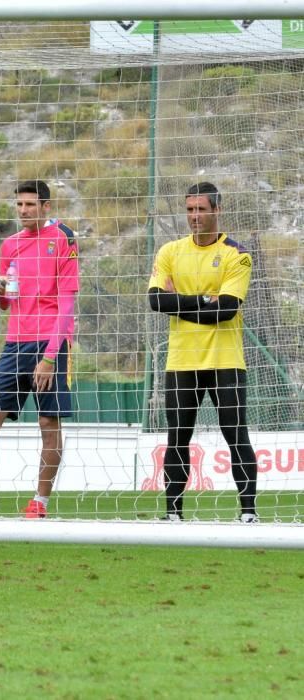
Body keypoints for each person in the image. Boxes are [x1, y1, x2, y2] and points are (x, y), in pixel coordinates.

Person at [0, 180, 79, 518]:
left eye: (30, 205)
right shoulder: (10, 244)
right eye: (19, 205)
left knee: (48, 425)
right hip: (14, 344)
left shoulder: (64, 239)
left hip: (50, 344)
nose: (24, 210)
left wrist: (49, 357)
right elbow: (6, 301)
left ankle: (39, 502)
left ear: (46, 207)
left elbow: (67, 304)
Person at [148, 182, 258, 523]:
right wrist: (204, 300)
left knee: (235, 433)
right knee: (177, 437)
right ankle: (173, 514)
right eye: (190, 209)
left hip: (225, 361)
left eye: (201, 209)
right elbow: (155, 300)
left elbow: (226, 309)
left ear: (217, 210)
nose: (195, 216)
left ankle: (249, 513)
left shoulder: (236, 254)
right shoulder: (169, 252)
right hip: (182, 362)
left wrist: (180, 302)